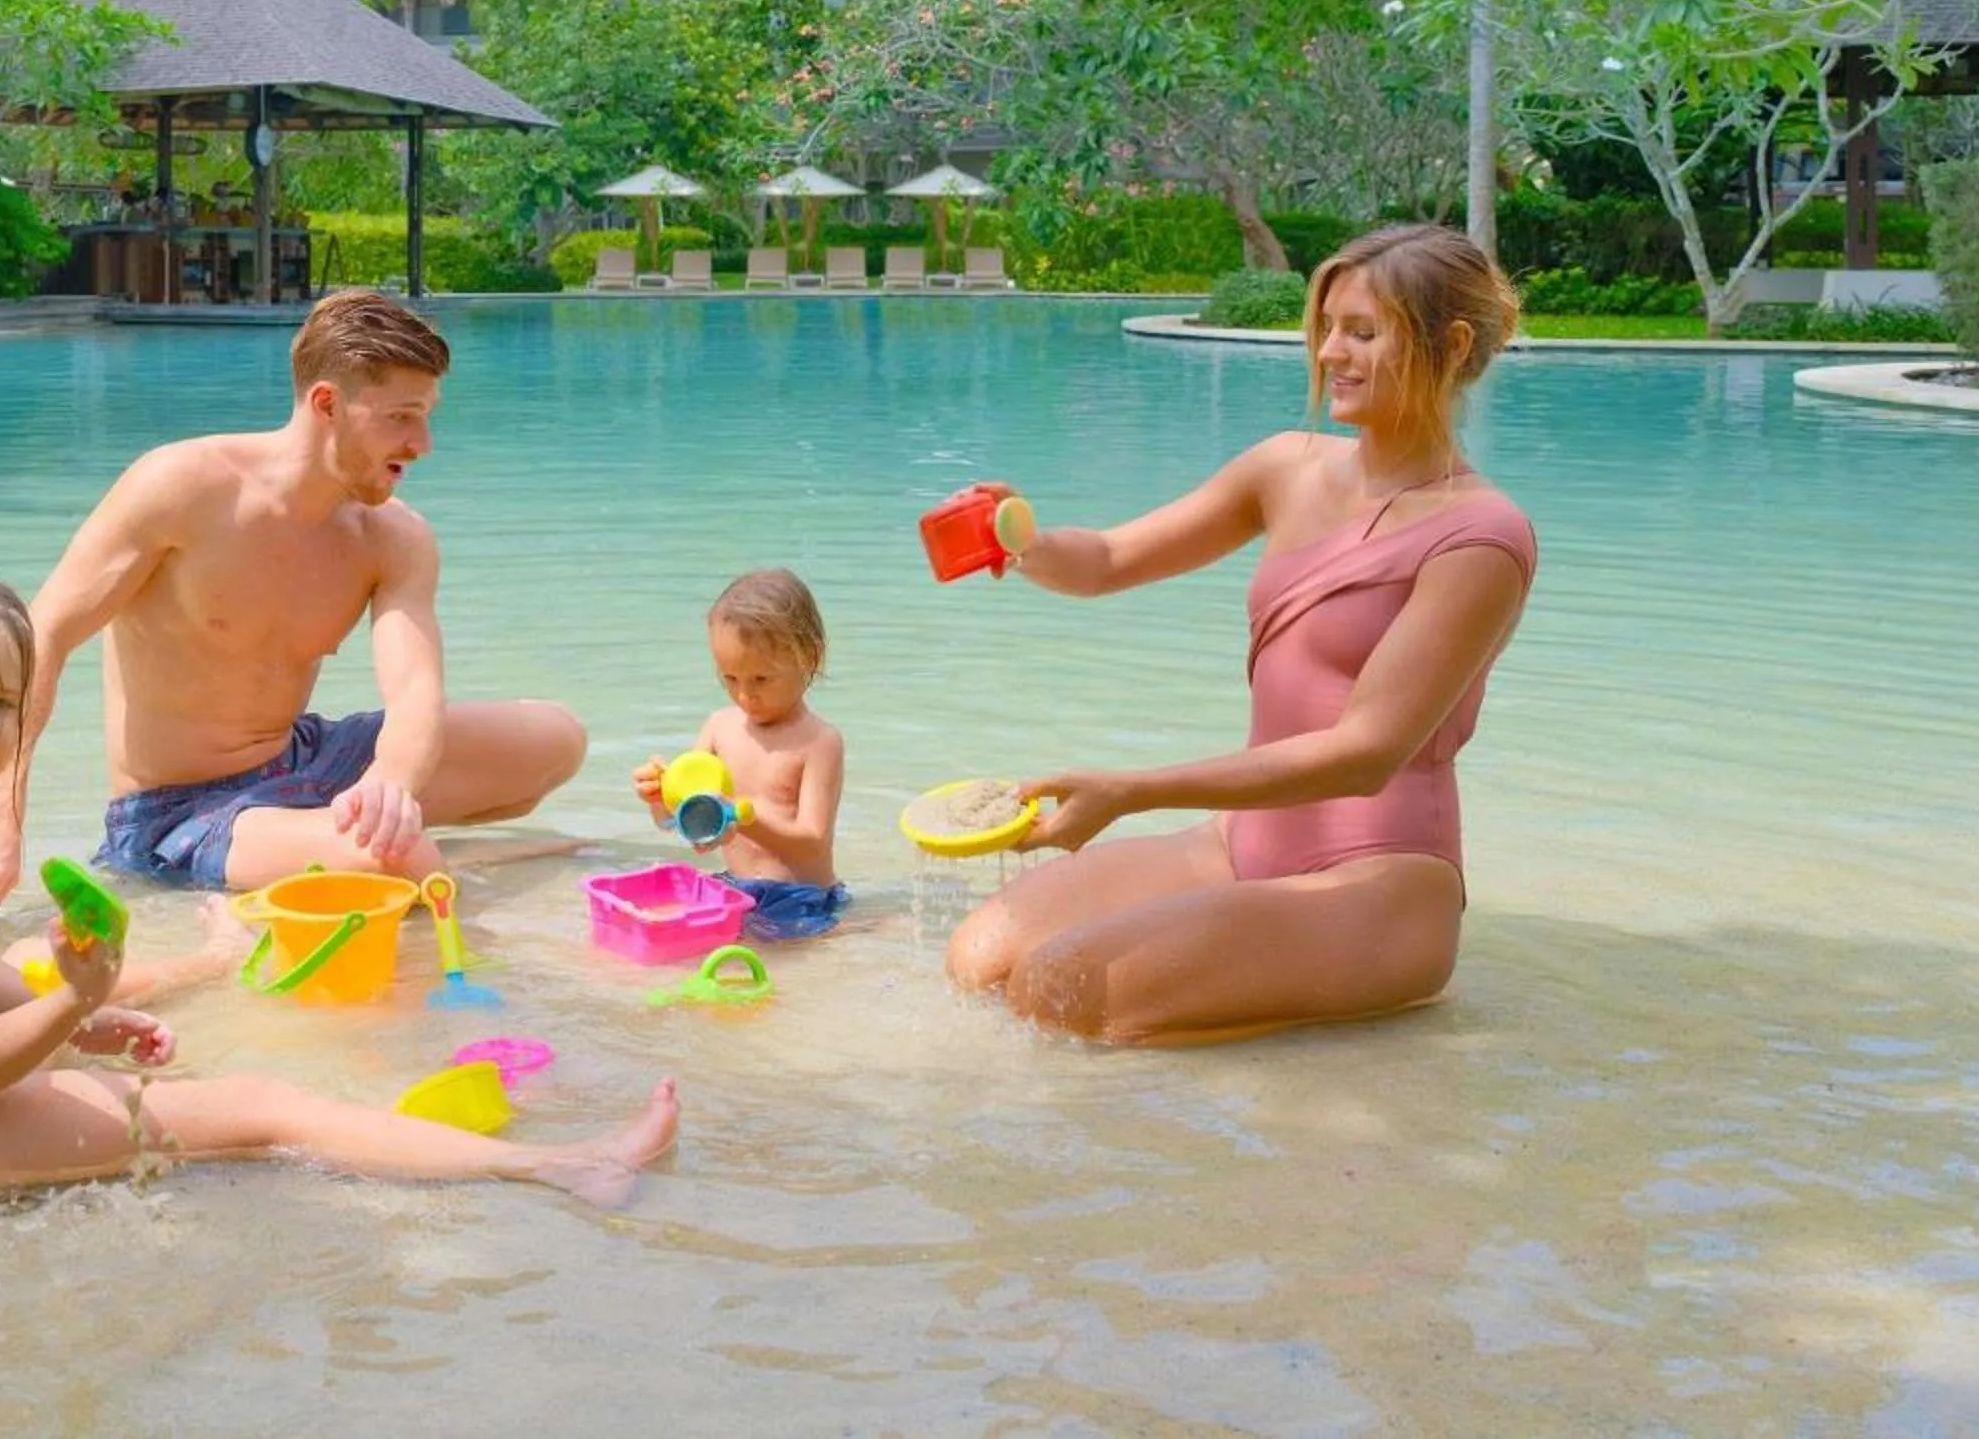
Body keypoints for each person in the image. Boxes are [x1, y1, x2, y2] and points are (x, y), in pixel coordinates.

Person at [0, 570, 680, 1200]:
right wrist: (72, 1004)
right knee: (264, 1109)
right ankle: (565, 1167)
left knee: (202, 1073)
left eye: (0, 706)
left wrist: (84, 1023)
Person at [944, 223, 1538, 1045]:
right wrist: (1025, 542)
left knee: (1059, 988)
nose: (1331, 353)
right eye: (1327, 328)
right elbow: (1110, 558)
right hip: (1239, 842)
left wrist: (1132, 792)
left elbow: (1366, 753)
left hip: (1378, 882)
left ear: (1452, 344)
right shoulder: (1284, 468)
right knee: (978, 959)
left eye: (1363, 332)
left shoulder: (1480, 536)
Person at [0, 292, 587, 900]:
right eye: (402, 416)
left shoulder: (393, 536)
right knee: (396, 861)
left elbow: (415, 691)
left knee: (555, 739)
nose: (423, 443)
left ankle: (325, 838)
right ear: (328, 403)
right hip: (179, 810)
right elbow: (41, 637)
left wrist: (391, 780)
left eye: (427, 414)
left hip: (303, 760)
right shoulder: (183, 487)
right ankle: (336, 852)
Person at [630, 570, 848, 940]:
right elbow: (687, 826)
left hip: (799, 897)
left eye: (761, 679)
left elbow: (813, 839)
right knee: (667, 932)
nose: (745, 695)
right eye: (729, 678)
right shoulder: (718, 727)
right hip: (737, 886)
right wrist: (660, 801)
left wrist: (740, 816)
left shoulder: (820, 742)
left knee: (764, 958)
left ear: (809, 656)